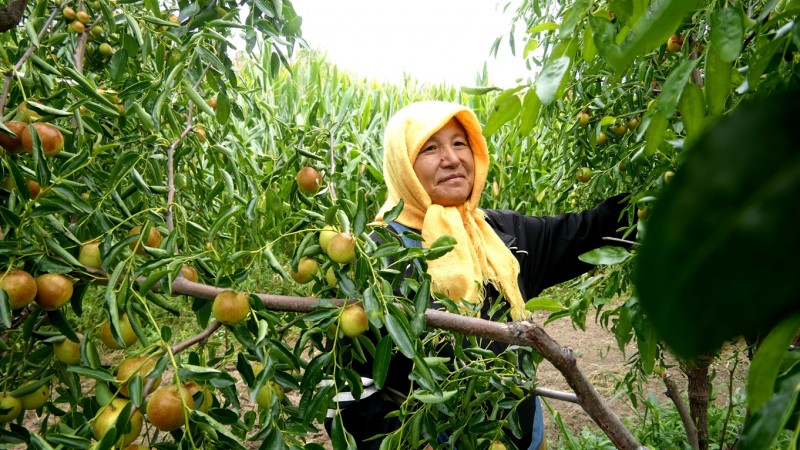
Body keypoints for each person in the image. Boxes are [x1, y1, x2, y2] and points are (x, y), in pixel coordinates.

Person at [325, 101, 631, 449]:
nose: (452, 158)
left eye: (460, 143)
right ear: (402, 165)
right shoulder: (373, 257)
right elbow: (346, 395)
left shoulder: (501, 235)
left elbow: (591, 231)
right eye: (430, 148)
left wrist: (662, 195)